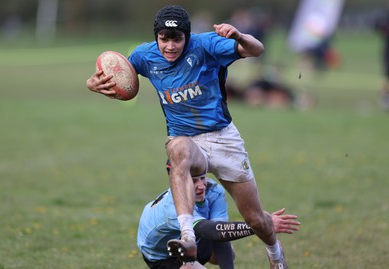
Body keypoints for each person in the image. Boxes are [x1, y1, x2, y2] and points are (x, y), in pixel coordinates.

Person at [86, 5, 292, 268]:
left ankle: (276, 254)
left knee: (255, 219)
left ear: (187, 37)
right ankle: (188, 236)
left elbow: (257, 49)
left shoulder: (207, 45)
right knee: (179, 150)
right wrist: (91, 84)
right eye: (164, 39)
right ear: (156, 37)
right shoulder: (144, 56)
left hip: (222, 138)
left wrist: (239, 36)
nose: (170, 46)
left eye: (177, 39)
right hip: (185, 138)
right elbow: (115, 76)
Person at [137, 161, 300, 269]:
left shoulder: (213, 190)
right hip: (162, 256)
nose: (201, 185)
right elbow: (211, 230)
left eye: (202, 178)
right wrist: (261, 225)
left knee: (227, 249)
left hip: (193, 241)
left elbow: (220, 235)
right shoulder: (171, 207)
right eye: (193, 181)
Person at [374, 7, 389, 111]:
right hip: (387, 50)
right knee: (386, 75)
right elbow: (376, 26)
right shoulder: (385, 15)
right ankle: (385, 98)